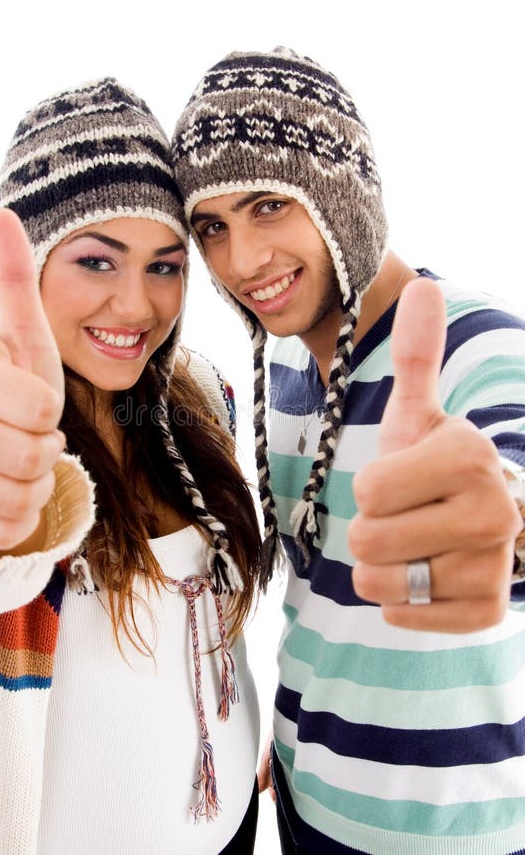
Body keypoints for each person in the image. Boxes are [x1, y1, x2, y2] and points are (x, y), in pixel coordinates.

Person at [172, 47, 525, 854]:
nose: (241, 262)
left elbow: (505, 484)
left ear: (343, 196)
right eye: (212, 228)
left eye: (268, 206)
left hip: (451, 836)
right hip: (302, 809)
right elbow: (326, 602)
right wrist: (303, 736)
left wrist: (502, 530)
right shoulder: (289, 368)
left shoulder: (474, 347)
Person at [0, 78, 265, 855]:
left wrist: (248, 732)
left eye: (164, 265)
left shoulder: (201, 397)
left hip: (236, 827)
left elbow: (211, 622)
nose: (138, 307)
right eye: (96, 261)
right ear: (31, 262)